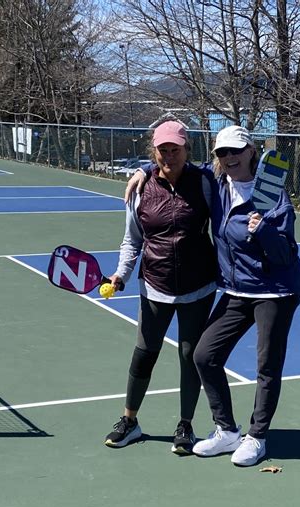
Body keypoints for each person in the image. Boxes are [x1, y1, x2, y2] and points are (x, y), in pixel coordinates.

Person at [125, 125, 300, 466]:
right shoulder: (214, 182)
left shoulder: (274, 192)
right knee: (204, 355)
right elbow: (173, 165)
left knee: (267, 365)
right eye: (222, 152)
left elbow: (284, 255)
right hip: (237, 290)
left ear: (251, 150)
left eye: (236, 151)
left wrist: (263, 230)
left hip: (275, 291)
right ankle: (226, 430)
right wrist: (144, 170)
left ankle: (257, 437)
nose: (230, 158)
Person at [104, 121, 218, 454]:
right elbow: (132, 240)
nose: (169, 156)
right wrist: (120, 274)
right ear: (154, 152)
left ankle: (185, 425)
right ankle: (130, 421)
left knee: (189, 356)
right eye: (163, 150)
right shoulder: (140, 188)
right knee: (144, 353)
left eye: (175, 149)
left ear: (187, 150)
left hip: (198, 286)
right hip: (154, 284)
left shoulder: (205, 183)